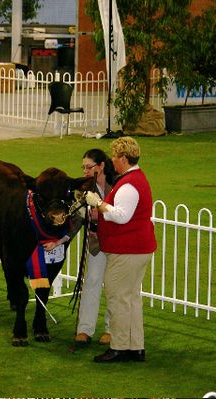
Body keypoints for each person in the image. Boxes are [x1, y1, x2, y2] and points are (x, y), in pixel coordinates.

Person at [85, 136, 157, 363]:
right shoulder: (137, 179)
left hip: (127, 251)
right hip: (138, 249)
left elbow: (121, 216)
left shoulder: (128, 185)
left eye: (115, 157)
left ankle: (118, 347)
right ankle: (135, 346)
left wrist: (97, 203)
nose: (113, 161)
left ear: (124, 159)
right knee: (131, 299)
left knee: (118, 299)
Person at [73, 148, 117, 346]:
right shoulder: (83, 189)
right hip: (96, 243)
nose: (85, 172)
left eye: (89, 167)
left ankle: (112, 329)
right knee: (91, 281)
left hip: (117, 242)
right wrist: (61, 239)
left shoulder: (118, 185)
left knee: (114, 286)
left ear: (101, 166)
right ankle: (84, 329)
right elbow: (76, 218)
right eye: (83, 167)